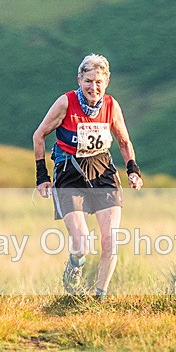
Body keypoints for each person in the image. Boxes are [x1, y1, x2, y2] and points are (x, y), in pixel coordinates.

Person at [33, 54, 143, 299]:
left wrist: (133, 170)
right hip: (69, 172)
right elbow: (38, 136)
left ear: (106, 82)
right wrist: (42, 176)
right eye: (89, 81)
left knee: (110, 241)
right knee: (82, 243)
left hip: (102, 170)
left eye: (99, 82)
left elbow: (124, 141)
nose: (93, 87)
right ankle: (75, 264)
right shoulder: (65, 103)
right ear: (79, 79)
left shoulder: (111, 106)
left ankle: (99, 298)